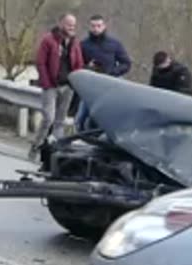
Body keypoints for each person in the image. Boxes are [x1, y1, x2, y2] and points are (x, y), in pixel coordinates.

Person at [31, 13, 83, 158]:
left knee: (60, 121)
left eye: (73, 25)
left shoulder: (75, 42)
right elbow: (40, 62)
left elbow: (79, 64)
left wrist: (75, 82)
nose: (72, 27)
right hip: (51, 86)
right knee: (49, 118)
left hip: (67, 86)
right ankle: (36, 146)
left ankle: (55, 152)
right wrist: (46, 83)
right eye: (68, 24)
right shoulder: (49, 40)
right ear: (61, 24)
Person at [75, 14, 132, 131]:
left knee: (110, 115)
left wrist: (112, 72)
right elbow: (77, 66)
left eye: (99, 26)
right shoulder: (83, 45)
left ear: (104, 26)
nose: (96, 29)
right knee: (81, 117)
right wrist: (88, 67)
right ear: (89, 27)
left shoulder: (114, 44)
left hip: (109, 84)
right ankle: (79, 137)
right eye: (93, 26)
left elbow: (126, 63)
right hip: (90, 85)